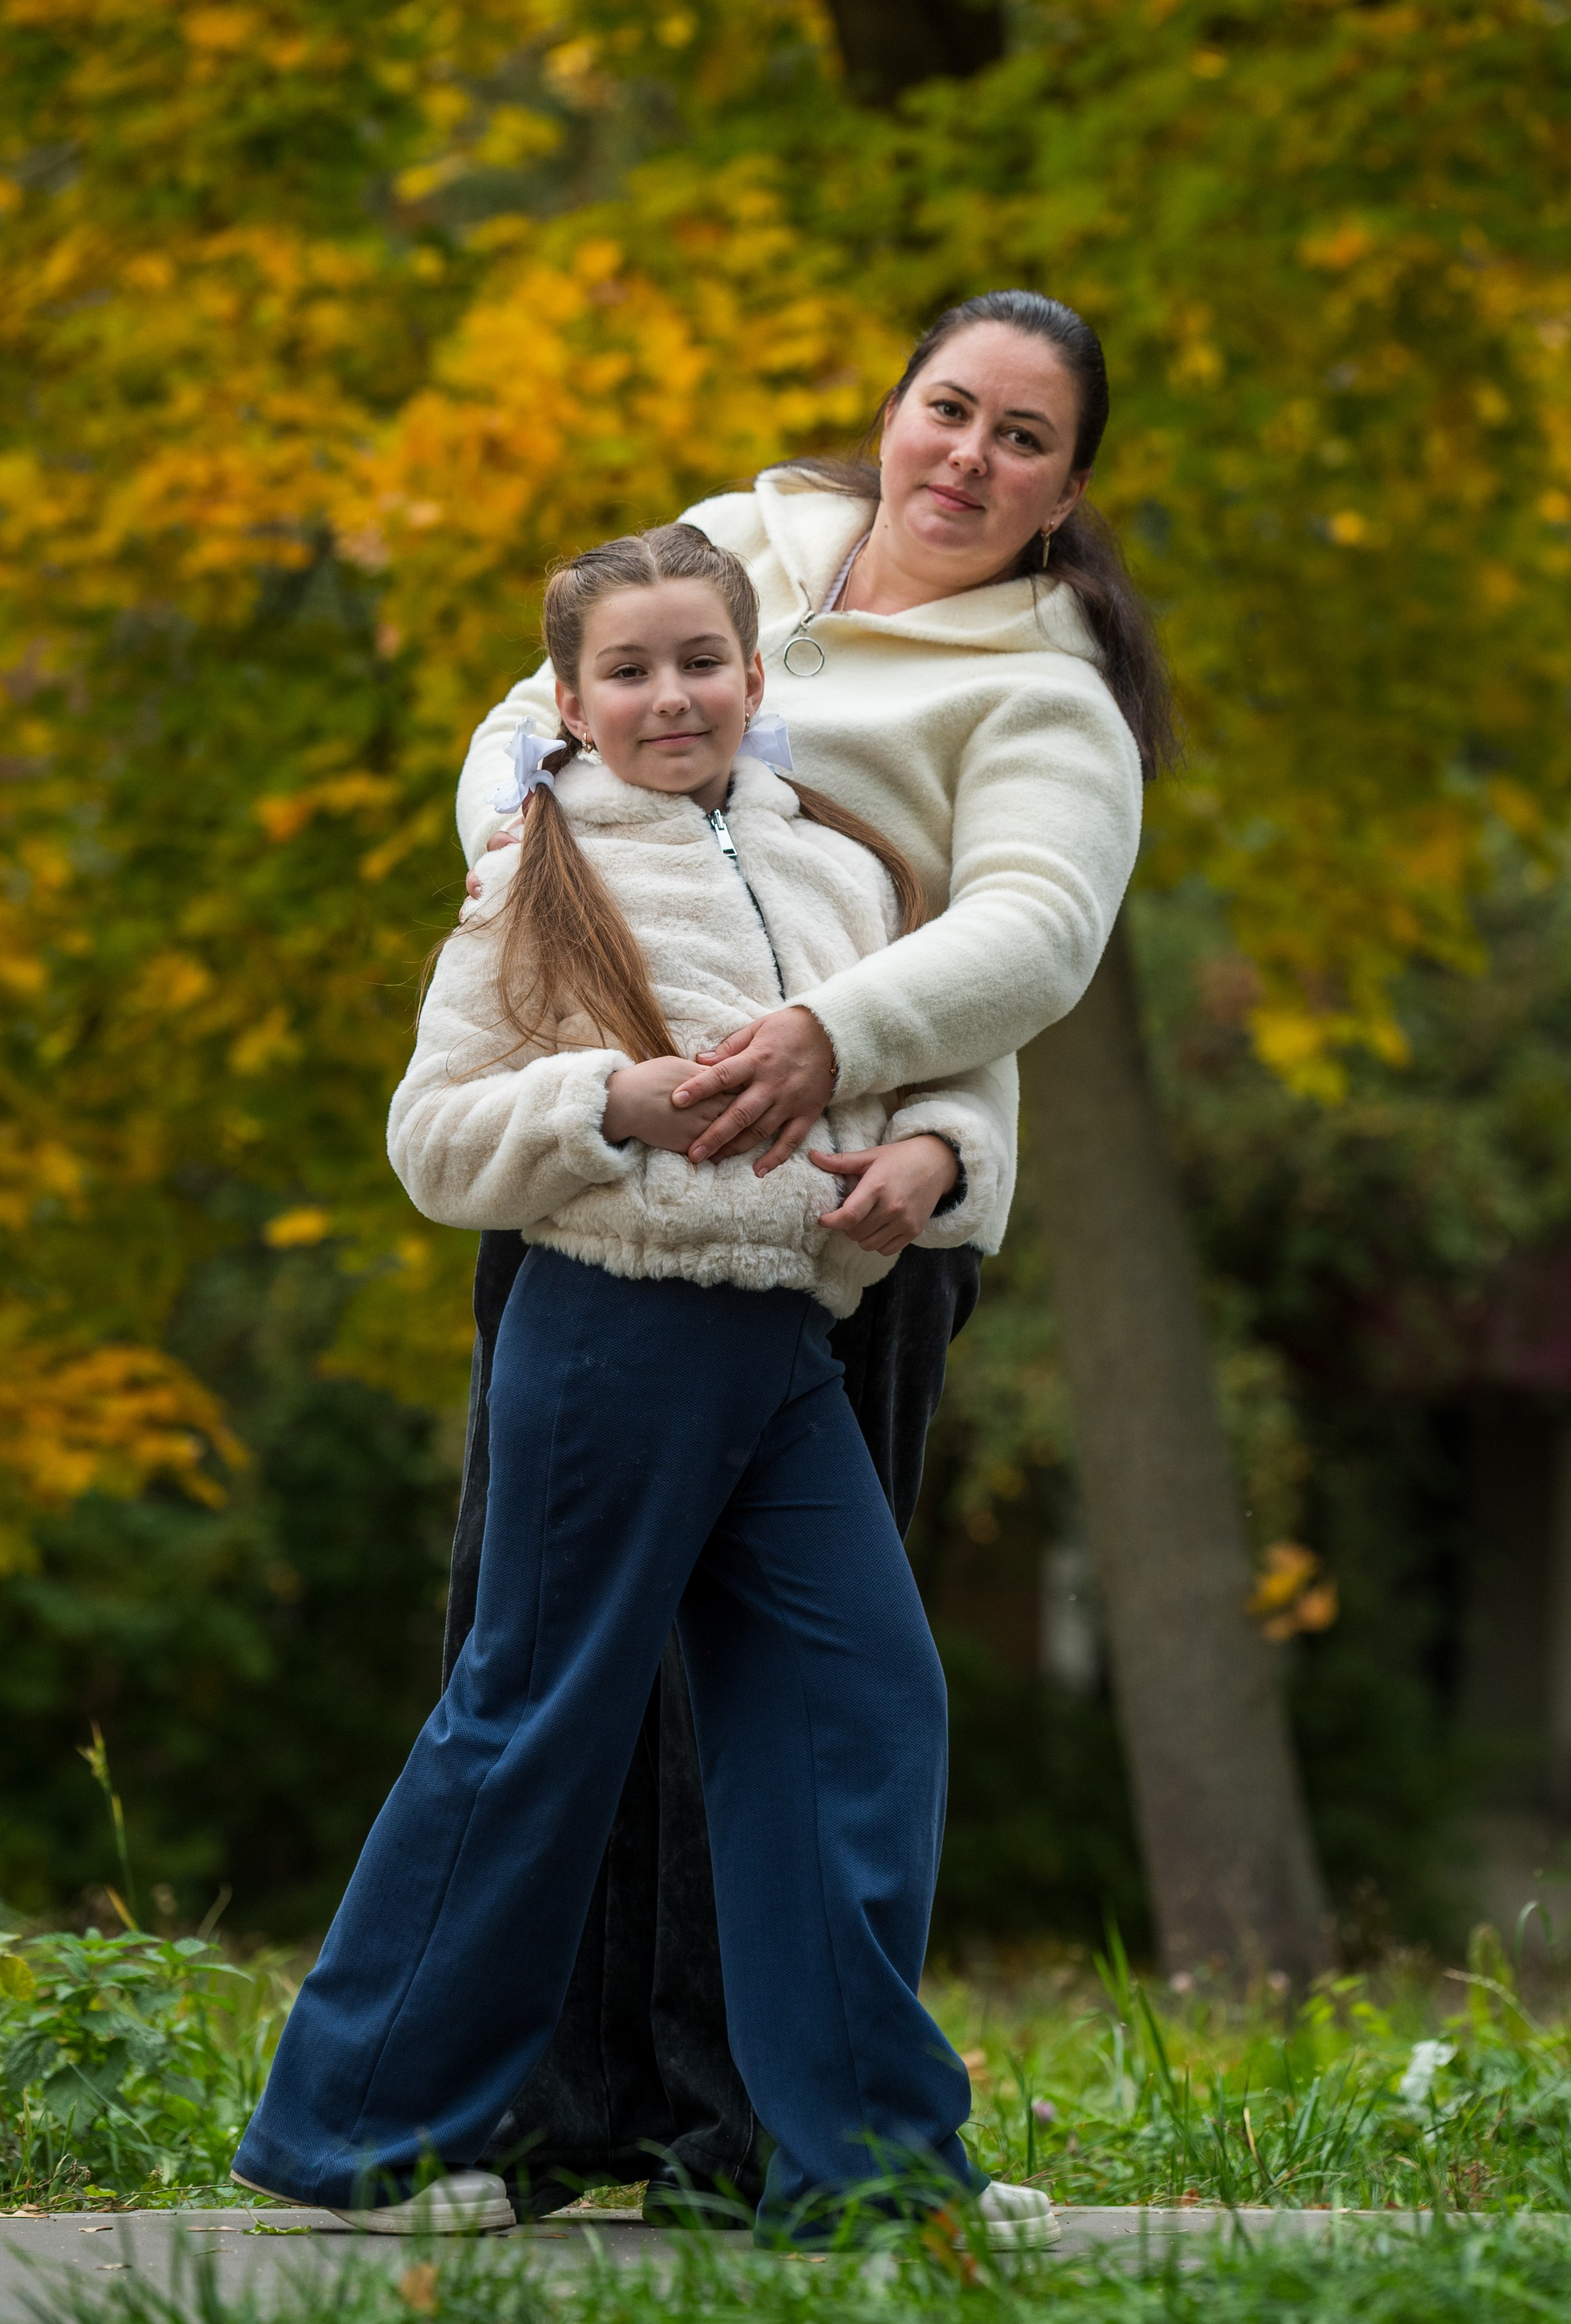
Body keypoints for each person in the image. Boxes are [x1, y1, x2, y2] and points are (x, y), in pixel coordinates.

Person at [231, 521, 1056, 2249]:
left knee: (865, 1705)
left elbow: (945, 1060)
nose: (670, 694)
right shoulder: (540, 877)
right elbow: (432, 1137)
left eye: (701, 661)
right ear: (570, 700)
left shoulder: (836, 872)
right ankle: (366, 2134)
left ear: (759, 682)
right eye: (630, 669)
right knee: (539, 1714)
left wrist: (930, 1156)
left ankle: (868, 2162)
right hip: (611, 1331)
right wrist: (611, 1102)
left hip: (785, 1346)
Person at [445, 291, 1164, 2222]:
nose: (969, 457)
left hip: (842, 1227)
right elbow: (521, 726)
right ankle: (539, 2107)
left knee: (776, 1688)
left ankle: (741, 2123)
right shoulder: (733, 545)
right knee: (549, 1657)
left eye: (1025, 439)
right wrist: (529, 873)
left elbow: (1027, 938)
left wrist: (866, 1077)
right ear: (893, 402)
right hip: (605, 1185)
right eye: (952, 407)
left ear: (1065, 489)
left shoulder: (1040, 689)